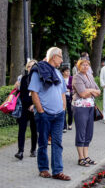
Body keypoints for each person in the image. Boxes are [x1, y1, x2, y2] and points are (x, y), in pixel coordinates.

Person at [28, 47, 70, 180]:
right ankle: (44, 169)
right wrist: (40, 110)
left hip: (59, 115)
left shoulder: (57, 73)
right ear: (53, 57)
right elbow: (34, 92)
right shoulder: (38, 71)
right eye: (60, 57)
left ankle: (57, 171)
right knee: (43, 143)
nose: (62, 60)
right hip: (44, 115)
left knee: (57, 143)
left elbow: (63, 91)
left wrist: (63, 107)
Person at [72, 59, 101, 167]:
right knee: (81, 132)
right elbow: (83, 94)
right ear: (79, 66)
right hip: (80, 107)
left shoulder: (90, 76)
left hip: (90, 107)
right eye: (83, 65)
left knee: (89, 132)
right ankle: (80, 158)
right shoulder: (77, 77)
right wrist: (91, 91)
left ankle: (86, 156)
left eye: (87, 65)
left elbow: (98, 91)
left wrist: (89, 91)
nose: (85, 67)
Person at [14, 59, 38, 160]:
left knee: (34, 129)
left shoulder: (38, 79)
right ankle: (20, 151)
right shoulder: (23, 78)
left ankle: (33, 149)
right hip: (24, 107)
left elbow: (39, 93)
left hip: (34, 107)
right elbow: (22, 93)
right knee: (22, 129)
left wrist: (34, 104)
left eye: (32, 67)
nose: (30, 68)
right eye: (29, 67)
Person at [61, 67, 73, 132]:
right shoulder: (61, 78)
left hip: (69, 96)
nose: (68, 73)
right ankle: (64, 126)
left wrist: (68, 88)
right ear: (63, 72)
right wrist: (66, 88)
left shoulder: (71, 78)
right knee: (63, 111)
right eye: (66, 71)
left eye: (68, 71)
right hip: (62, 96)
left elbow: (73, 86)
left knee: (70, 111)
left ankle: (70, 123)